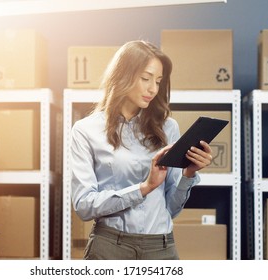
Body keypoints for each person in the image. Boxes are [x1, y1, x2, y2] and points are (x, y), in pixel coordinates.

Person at [70, 40, 213, 260]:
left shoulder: (168, 128)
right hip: (110, 247)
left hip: (161, 247)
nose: (153, 89)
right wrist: (144, 188)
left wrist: (188, 174)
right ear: (122, 75)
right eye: (146, 79)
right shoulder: (85, 130)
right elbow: (84, 206)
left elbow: (171, 209)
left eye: (158, 81)